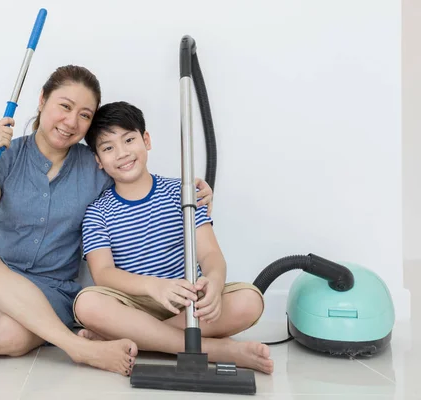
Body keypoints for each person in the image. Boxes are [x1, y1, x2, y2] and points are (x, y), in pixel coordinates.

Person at [0, 65, 214, 376]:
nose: (71, 122)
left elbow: (135, 186)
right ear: (42, 100)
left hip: (53, 292)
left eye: (85, 115)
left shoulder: (95, 166)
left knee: (7, 337)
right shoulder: (8, 155)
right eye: (65, 106)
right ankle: (77, 348)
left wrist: (192, 190)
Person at [72, 101, 274, 374]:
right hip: (133, 303)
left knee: (251, 300)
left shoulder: (183, 192)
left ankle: (135, 339)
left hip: (185, 301)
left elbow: (210, 254)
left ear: (146, 140)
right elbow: (103, 273)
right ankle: (218, 350)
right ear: (98, 160)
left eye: (129, 140)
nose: (121, 153)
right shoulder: (98, 212)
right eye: (108, 148)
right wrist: (154, 287)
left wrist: (214, 282)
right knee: (87, 304)